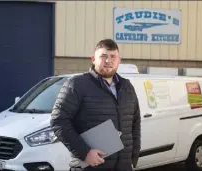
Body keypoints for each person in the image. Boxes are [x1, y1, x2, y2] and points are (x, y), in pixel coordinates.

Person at [50, 39, 141, 171]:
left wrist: (134, 156)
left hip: (123, 166)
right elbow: (58, 121)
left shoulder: (127, 87)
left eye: (112, 57)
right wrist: (85, 153)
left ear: (119, 60)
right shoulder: (77, 84)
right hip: (91, 166)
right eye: (103, 56)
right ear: (93, 59)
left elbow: (135, 123)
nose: (108, 61)